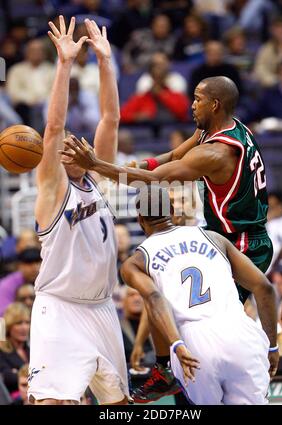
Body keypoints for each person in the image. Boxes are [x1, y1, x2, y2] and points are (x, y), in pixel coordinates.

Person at [61, 75, 273, 401]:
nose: (191, 104)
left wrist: (98, 166)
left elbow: (155, 179)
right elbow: (172, 157)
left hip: (241, 239)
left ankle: (171, 370)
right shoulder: (219, 127)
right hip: (226, 232)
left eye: (198, 98)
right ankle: (169, 367)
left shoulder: (215, 154)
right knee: (174, 299)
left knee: (191, 312)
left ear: (214, 104)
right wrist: (129, 167)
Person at [28, 16, 129, 405]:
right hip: (60, 307)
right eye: (66, 144)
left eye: (78, 141)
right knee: (55, 401)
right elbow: (53, 127)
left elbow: (111, 118)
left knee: (118, 405)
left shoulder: (98, 181)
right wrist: (65, 63)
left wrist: (105, 62)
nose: (73, 143)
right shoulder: (53, 191)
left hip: (103, 308)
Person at [120, 185, 278, 405]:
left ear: (139, 219)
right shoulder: (214, 238)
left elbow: (155, 300)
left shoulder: (137, 260)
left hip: (194, 341)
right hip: (240, 332)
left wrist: (175, 346)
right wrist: (272, 346)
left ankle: (163, 369)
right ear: (173, 212)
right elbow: (265, 289)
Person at [0, 303, 30, 396]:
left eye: (27, 322)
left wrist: (17, 373)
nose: (24, 327)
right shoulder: (1, 351)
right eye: (19, 323)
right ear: (9, 326)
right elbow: (7, 378)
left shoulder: (31, 349)